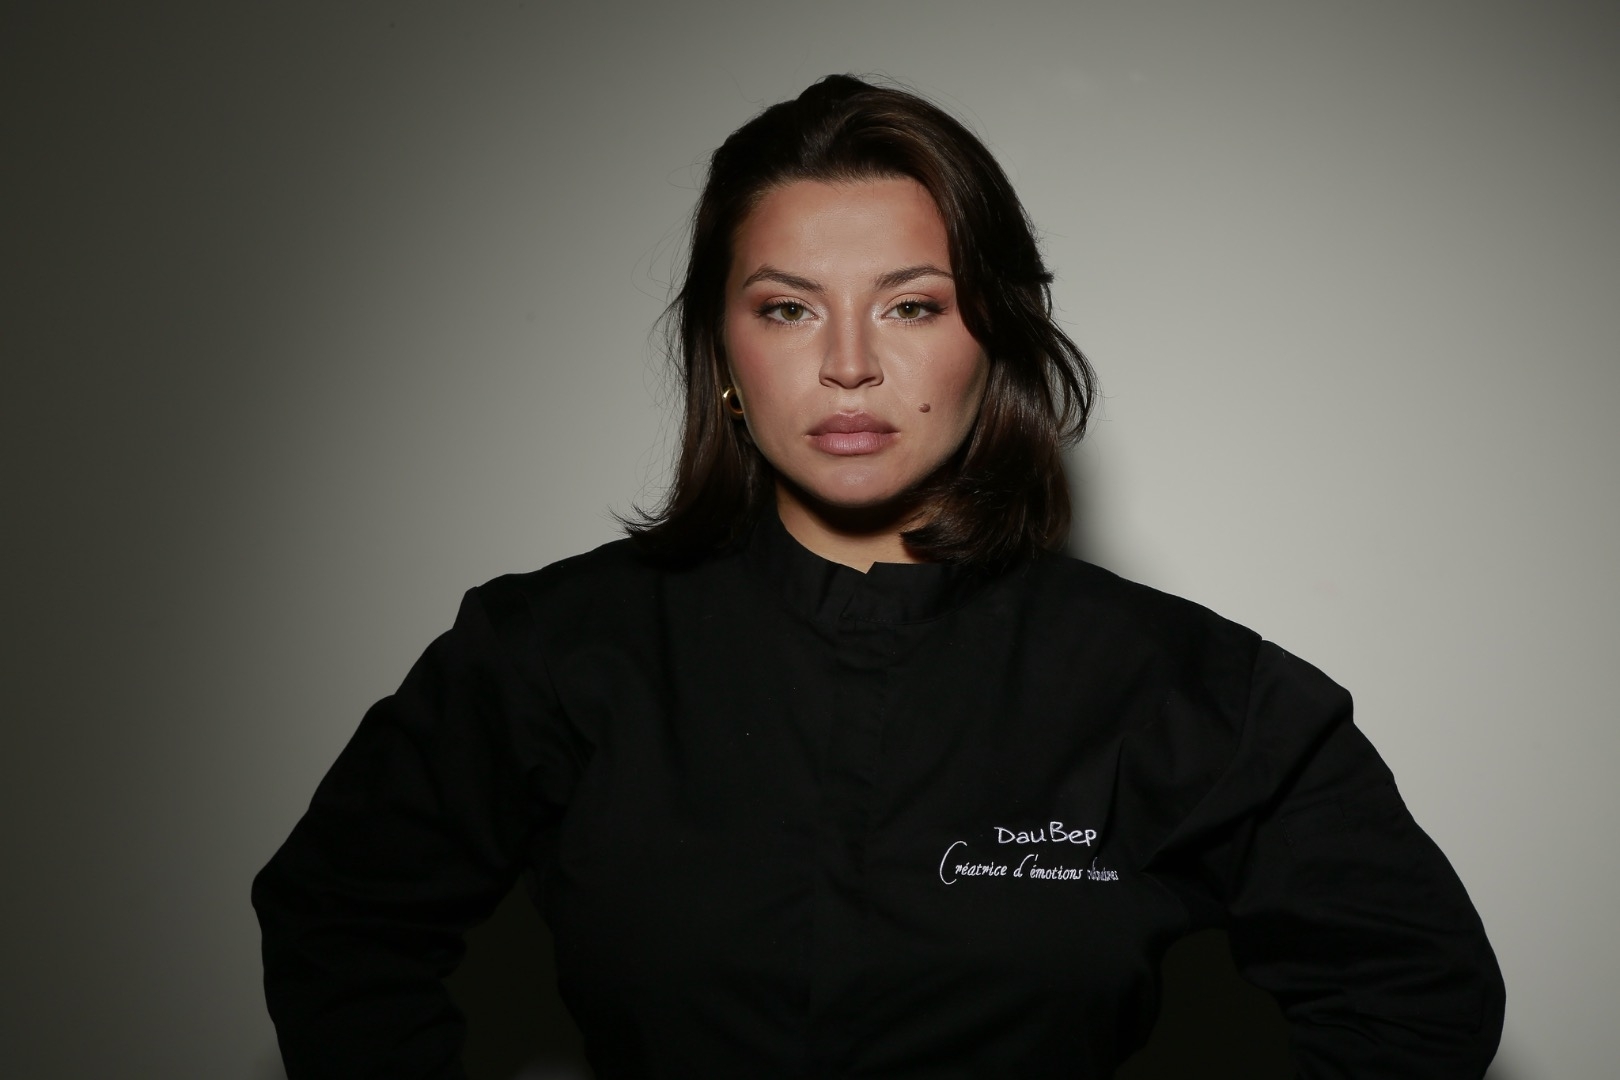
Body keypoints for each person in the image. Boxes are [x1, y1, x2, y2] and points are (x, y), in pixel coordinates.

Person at [252, 75, 1505, 1078]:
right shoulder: (554, 651)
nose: (849, 365)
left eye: (912, 306)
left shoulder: (1185, 689)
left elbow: (1415, 995)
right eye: (788, 308)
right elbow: (340, 923)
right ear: (721, 352)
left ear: (994, 337)